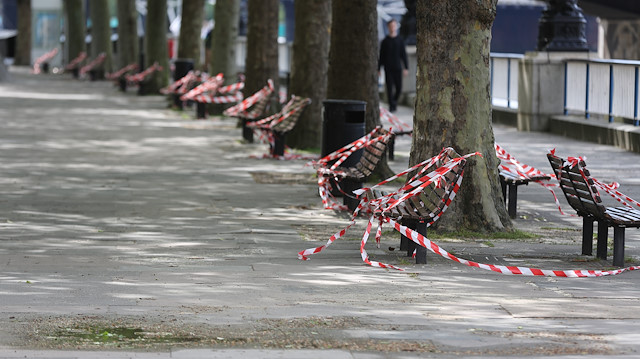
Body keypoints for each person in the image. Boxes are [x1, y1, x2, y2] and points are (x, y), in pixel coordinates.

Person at [378, 19, 408, 113]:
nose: (392, 27)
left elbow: (403, 55)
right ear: (388, 27)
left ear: (396, 27)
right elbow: (381, 56)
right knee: (389, 88)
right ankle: (391, 106)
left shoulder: (400, 40)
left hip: (398, 68)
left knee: (399, 88)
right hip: (388, 68)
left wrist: (406, 67)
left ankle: (394, 102)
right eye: (391, 26)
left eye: (394, 25)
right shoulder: (385, 41)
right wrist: (378, 68)